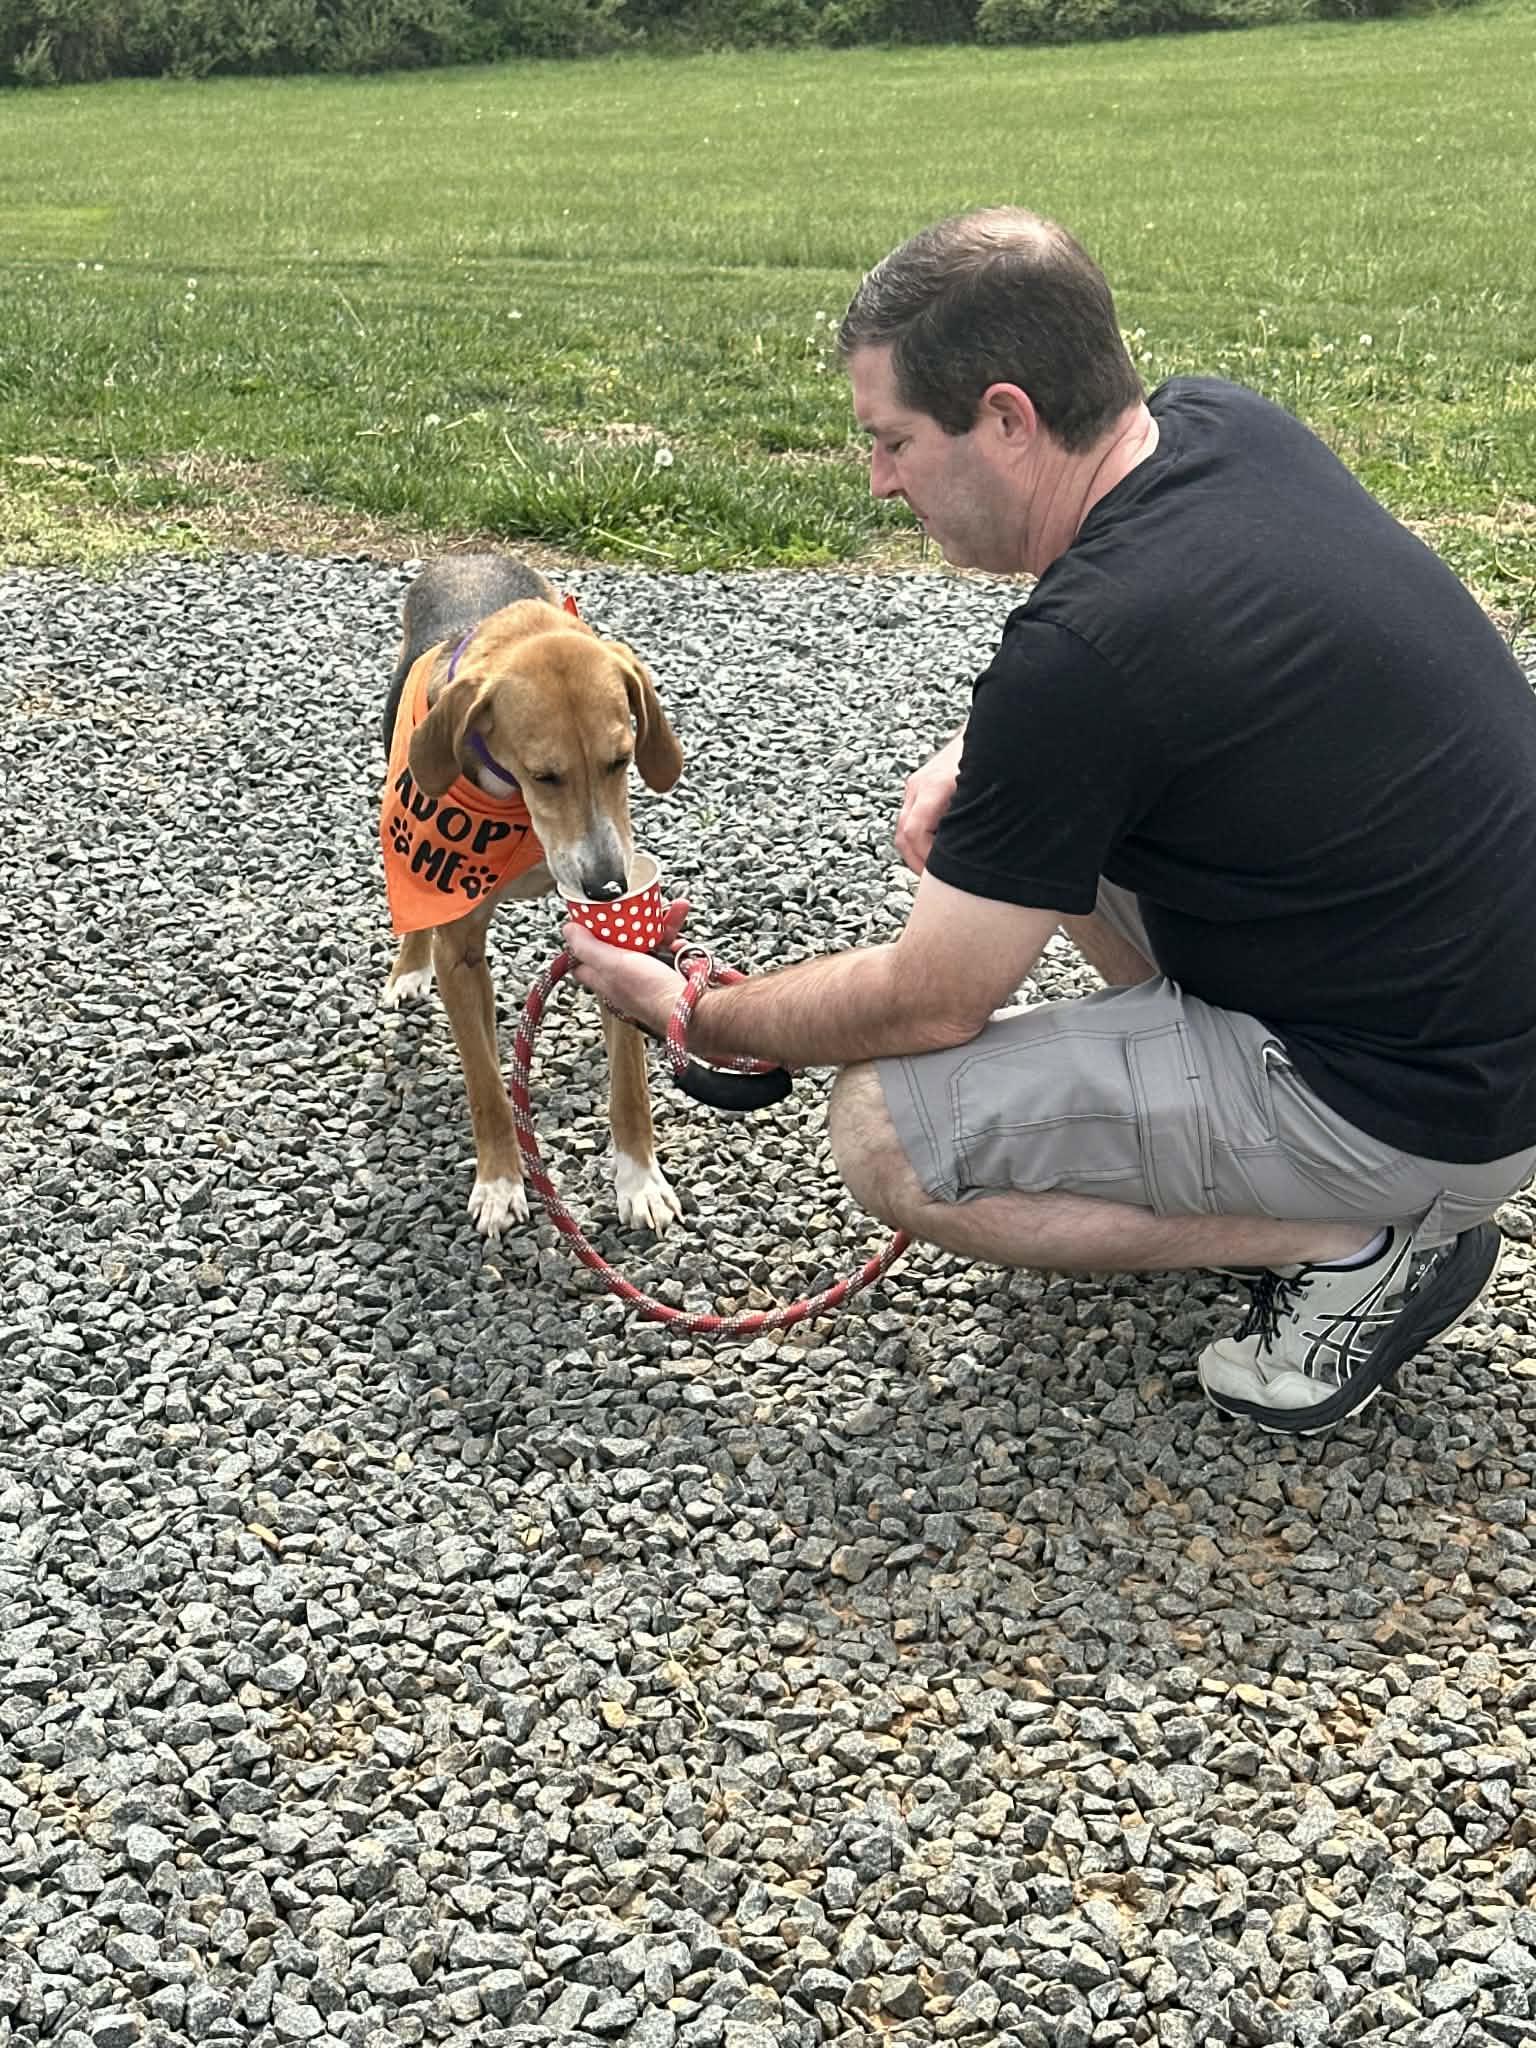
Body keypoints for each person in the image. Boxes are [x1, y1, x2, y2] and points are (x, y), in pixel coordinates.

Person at [565, 206, 1536, 1435]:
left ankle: (1360, 1240)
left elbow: (932, 1000)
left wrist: (696, 1009)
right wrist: (981, 757)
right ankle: (1247, 1130)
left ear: (1009, 417)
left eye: (895, 440)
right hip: (1479, 1015)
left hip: (1426, 1105)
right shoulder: (1222, 427)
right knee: (988, 840)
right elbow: (1173, 669)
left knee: (883, 1134)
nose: (877, 478)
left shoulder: (1083, 656)